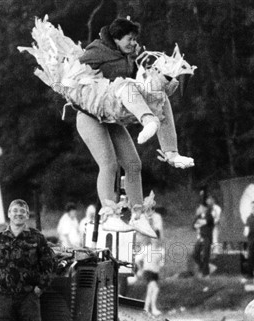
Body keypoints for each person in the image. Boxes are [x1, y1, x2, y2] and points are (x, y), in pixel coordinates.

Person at [76, 17, 194, 237]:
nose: (133, 43)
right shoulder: (97, 50)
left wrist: (165, 74)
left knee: (133, 163)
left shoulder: (131, 54)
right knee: (109, 164)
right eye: (130, 39)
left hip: (112, 114)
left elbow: (146, 71)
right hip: (91, 115)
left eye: (134, 39)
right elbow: (76, 72)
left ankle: (139, 213)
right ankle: (109, 214)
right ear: (116, 38)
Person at [134, 236, 164, 316]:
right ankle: (153, 308)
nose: (156, 241)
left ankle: (146, 309)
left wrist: (158, 268)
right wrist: (140, 269)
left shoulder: (161, 250)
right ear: (151, 240)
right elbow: (137, 259)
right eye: (154, 239)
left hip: (155, 273)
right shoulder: (147, 249)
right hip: (147, 271)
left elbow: (161, 263)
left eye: (157, 239)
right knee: (155, 289)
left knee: (150, 291)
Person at [192, 203, 214, 278]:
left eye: (201, 207)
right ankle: (203, 267)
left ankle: (206, 274)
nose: (200, 208)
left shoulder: (209, 216)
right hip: (200, 237)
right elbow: (193, 226)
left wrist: (198, 223)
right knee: (195, 255)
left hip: (207, 238)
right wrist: (198, 223)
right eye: (200, 207)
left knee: (205, 255)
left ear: (205, 208)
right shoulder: (198, 216)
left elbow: (205, 222)